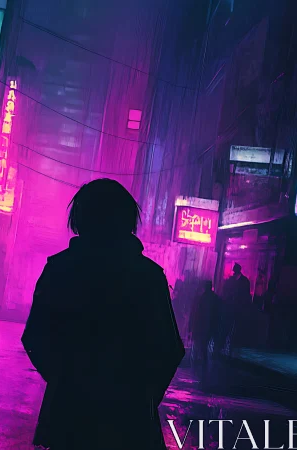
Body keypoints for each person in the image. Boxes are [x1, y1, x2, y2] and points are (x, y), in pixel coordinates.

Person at [22, 178, 185, 450]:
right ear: (127, 221)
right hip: (131, 421)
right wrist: (142, 395)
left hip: (70, 417)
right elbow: (170, 349)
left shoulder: (59, 270)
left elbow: (35, 338)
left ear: (80, 219)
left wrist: (66, 381)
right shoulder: (149, 276)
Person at [189, 281, 223, 381]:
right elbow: (218, 314)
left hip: (202, 327)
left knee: (201, 346)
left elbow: (197, 314)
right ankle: (206, 367)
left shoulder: (201, 298)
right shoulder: (216, 299)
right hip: (212, 327)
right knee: (207, 346)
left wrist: (192, 327)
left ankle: (200, 366)